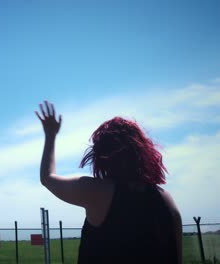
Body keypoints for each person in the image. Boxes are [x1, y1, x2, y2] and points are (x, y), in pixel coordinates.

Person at [36, 100, 182, 263]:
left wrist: (50, 135)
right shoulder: (167, 201)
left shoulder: (97, 191)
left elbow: (47, 178)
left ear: (101, 154)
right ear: (142, 151)